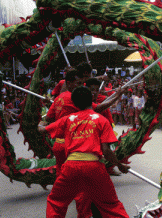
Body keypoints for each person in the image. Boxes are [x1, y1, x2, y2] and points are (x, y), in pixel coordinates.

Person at [38, 86, 130, 218]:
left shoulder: (67, 119)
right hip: (94, 167)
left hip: (71, 167)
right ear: (92, 99)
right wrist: (120, 165)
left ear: (74, 103)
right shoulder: (101, 120)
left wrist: (41, 122)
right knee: (111, 205)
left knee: (56, 202)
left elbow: (43, 130)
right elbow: (106, 151)